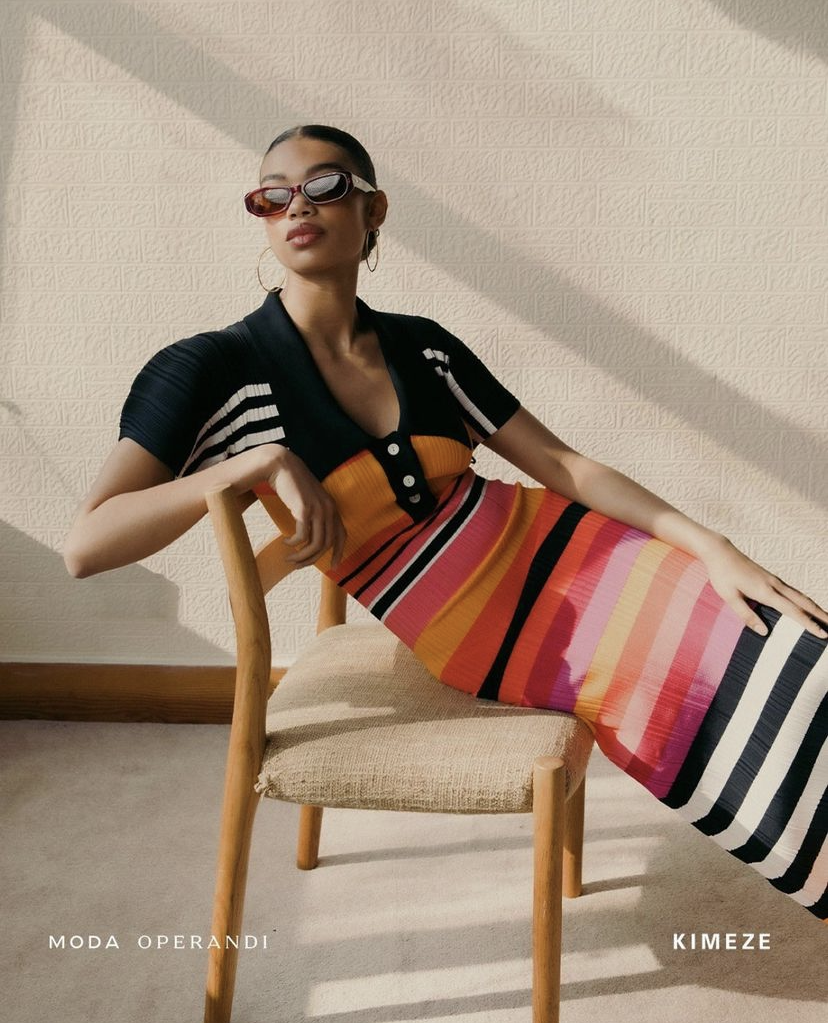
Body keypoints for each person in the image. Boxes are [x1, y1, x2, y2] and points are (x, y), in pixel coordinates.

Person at [64, 124, 828, 920]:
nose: (298, 206)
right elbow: (88, 544)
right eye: (273, 195)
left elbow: (563, 466)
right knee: (713, 708)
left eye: (324, 185)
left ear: (374, 210)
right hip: (497, 630)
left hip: (579, 553)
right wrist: (254, 462)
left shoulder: (422, 347)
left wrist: (711, 545)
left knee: (799, 648)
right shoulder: (211, 369)